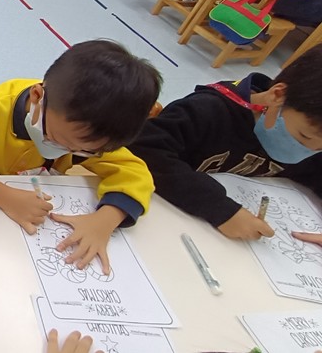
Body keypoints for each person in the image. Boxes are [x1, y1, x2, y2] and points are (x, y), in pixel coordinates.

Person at [0, 40, 162, 274]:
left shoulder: (87, 136)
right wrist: (2, 194)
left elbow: (135, 173)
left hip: (19, 231)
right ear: (37, 97)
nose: (66, 151)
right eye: (55, 139)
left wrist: (106, 220)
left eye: (82, 152)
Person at [129, 47, 322, 239]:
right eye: (303, 137)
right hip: (160, 221)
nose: (309, 151)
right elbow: (144, 148)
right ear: (277, 95)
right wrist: (220, 209)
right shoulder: (207, 111)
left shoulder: (313, 137)